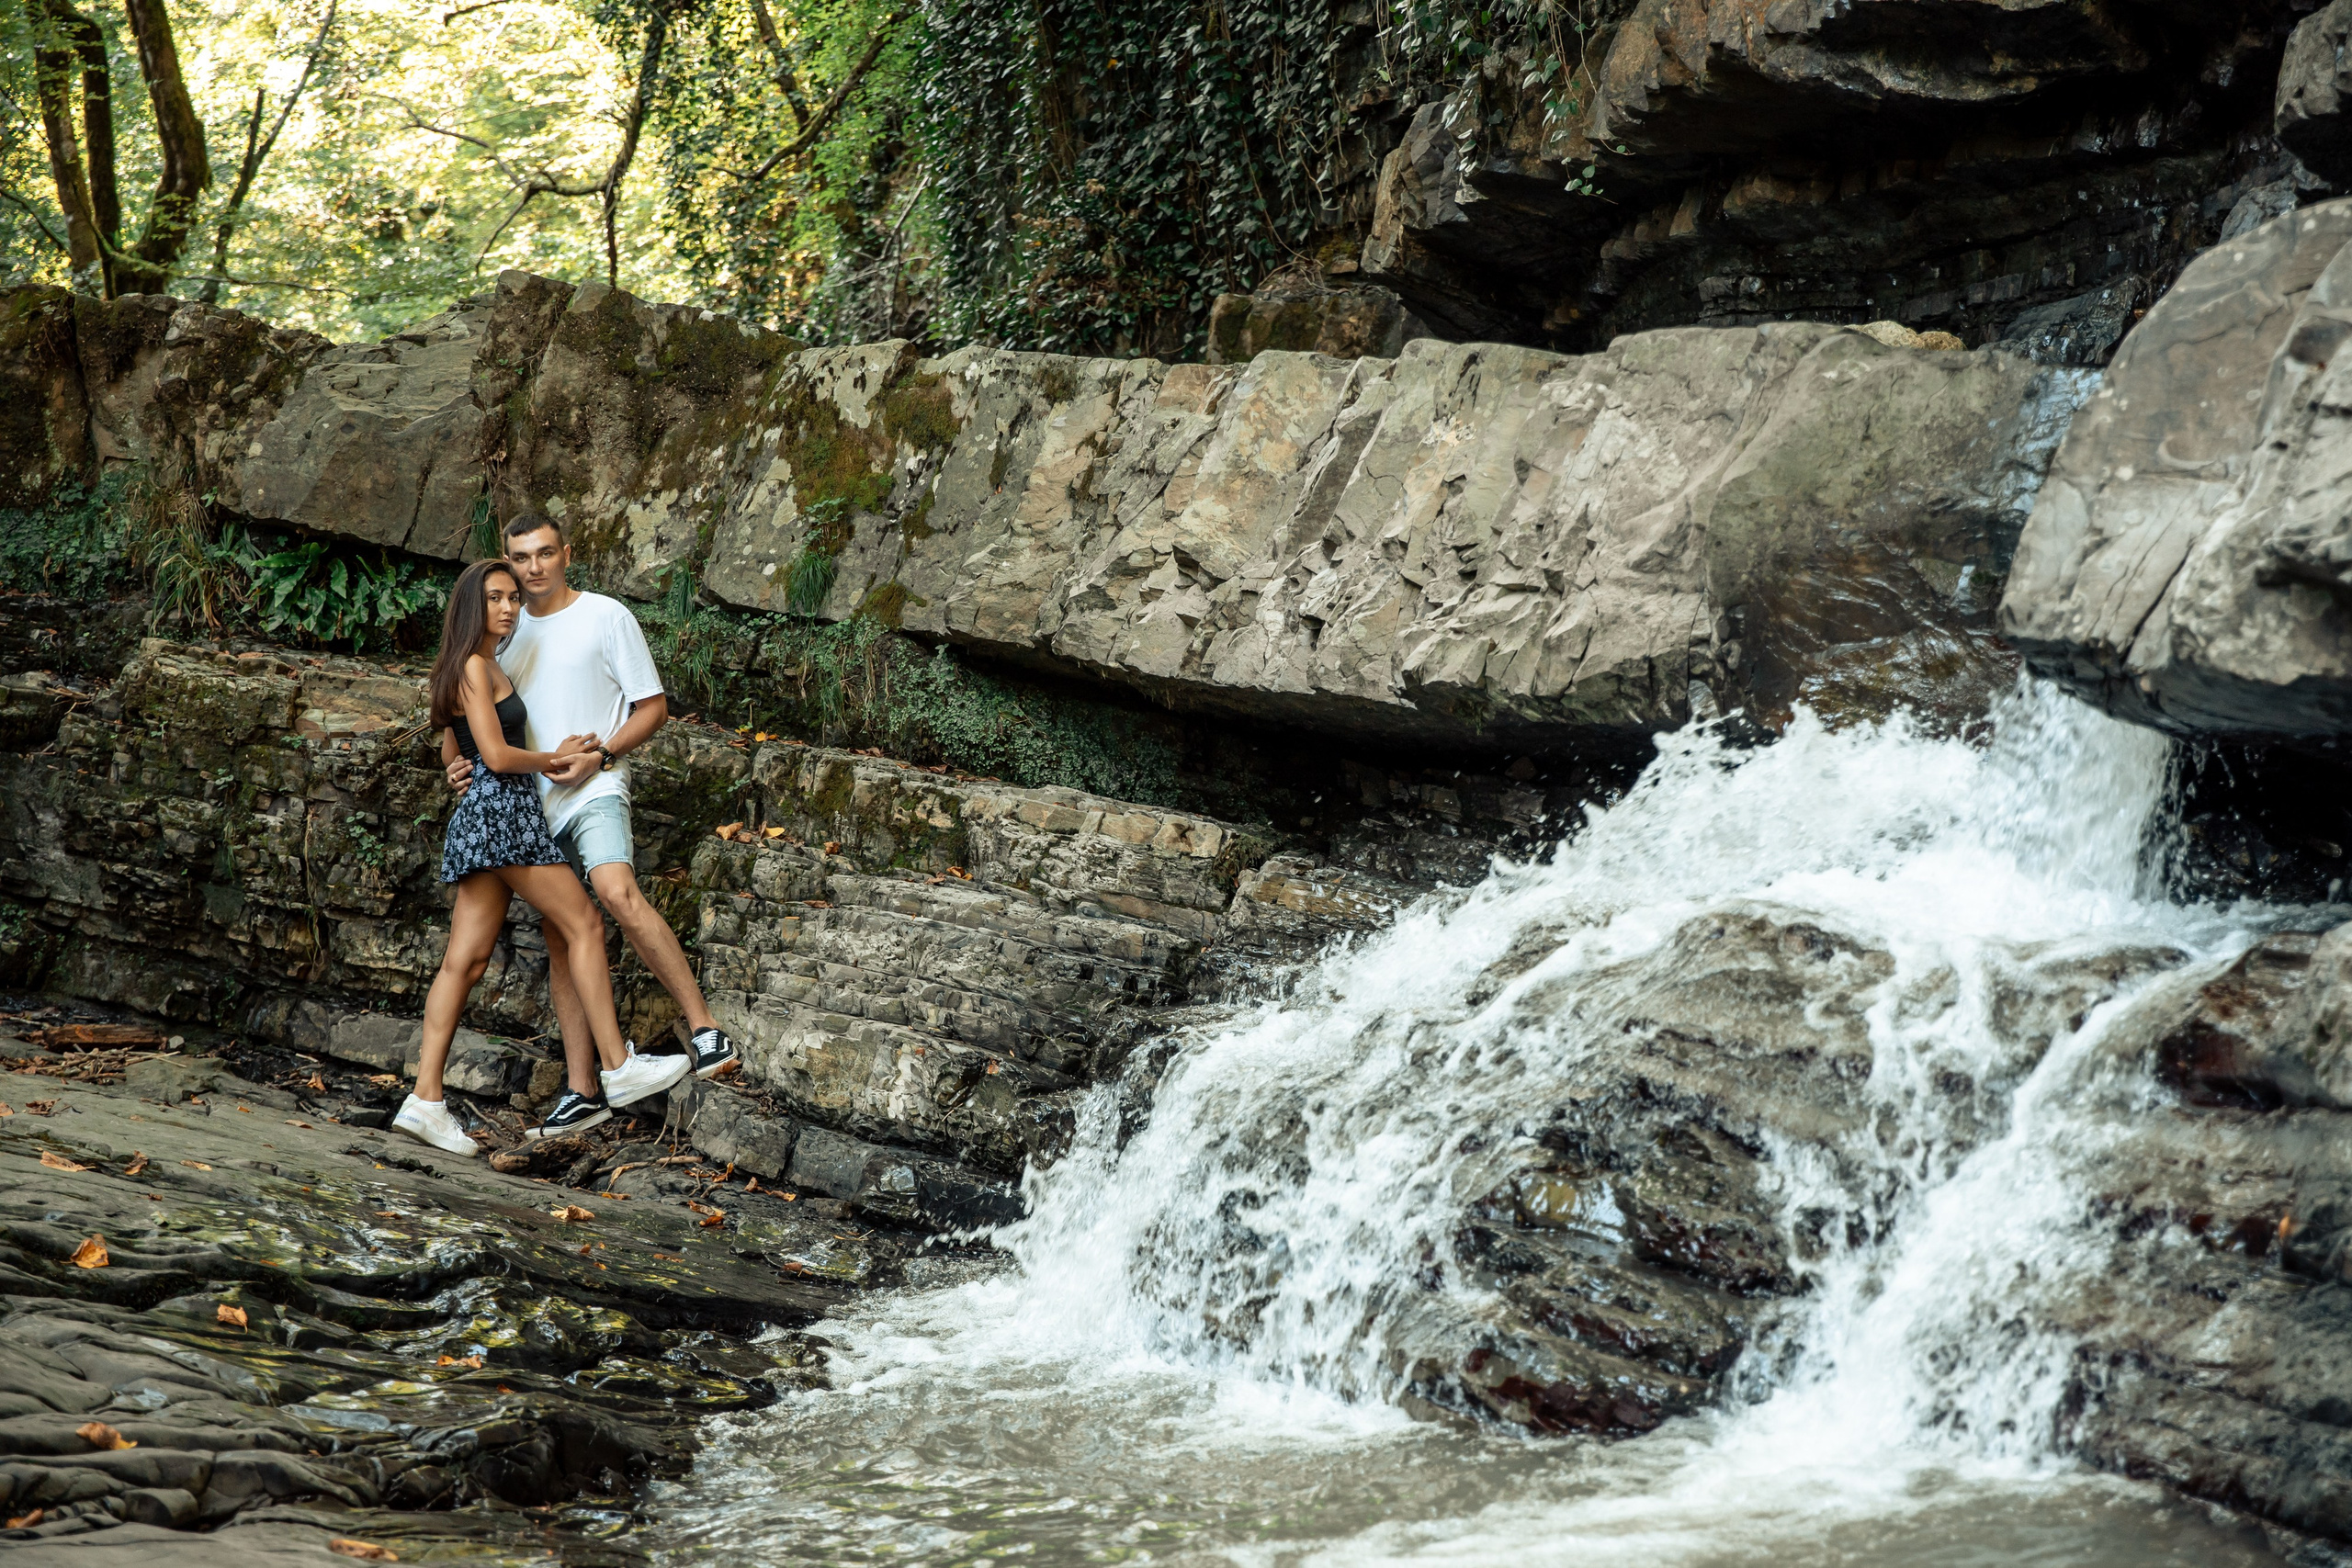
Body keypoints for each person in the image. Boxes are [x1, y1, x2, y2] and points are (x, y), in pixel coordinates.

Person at [443, 513, 741, 1136]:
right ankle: (583, 1088)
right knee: (562, 936)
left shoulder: (607, 616)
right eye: (521, 557)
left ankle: (706, 1029)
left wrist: (601, 754)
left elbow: (653, 706)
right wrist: (457, 764)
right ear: (508, 560)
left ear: (567, 554)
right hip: (531, 807)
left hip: (595, 787)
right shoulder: (504, 630)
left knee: (613, 890)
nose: (533, 568)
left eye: (545, 553)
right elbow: (463, 715)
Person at [395, 560, 650, 1155]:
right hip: (503, 816)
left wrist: (455, 764)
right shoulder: (474, 667)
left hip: (486, 816)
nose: (508, 608)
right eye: (495, 598)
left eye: (513, 598)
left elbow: (453, 741)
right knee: (583, 921)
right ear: (470, 605)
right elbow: (498, 755)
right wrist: (555, 759)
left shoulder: (477, 667)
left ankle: (424, 1099)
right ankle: (617, 1066)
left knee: (466, 959)